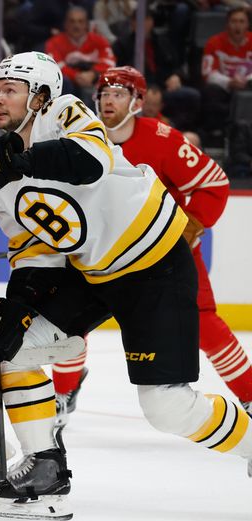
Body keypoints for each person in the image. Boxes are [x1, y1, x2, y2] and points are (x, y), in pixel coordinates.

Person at [0, 51, 252, 521]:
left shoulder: (64, 111)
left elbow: (89, 161)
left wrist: (18, 160)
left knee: (166, 406)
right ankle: (45, 469)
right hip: (93, 274)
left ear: (39, 95)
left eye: (9, 89)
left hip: (155, 263)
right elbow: (36, 254)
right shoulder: (0, 171)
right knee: (12, 352)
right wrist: (15, 313)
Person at [51, 65, 252, 427]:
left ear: (138, 101)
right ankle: (64, 391)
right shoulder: (81, 139)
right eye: (104, 93)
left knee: (204, 323)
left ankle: (251, 396)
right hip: (103, 254)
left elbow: (215, 183)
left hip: (163, 255)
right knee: (69, 323)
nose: (107, 99)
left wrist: (189, 228)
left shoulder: (162, 138)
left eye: (118, 93)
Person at [201, 7, 252, 146]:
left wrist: (247, 80)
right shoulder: (214, 42)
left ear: (247, 24)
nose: (238, 26)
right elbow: (207, 73)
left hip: (248, 89)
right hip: (224, 90)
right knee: (210, 91)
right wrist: (229, 82)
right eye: (234, 21)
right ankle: (216, 135)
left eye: (242, 21)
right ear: (227, 24)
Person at [45, 5, 116, 106]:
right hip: (68, 88)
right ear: (65, 24)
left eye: (80, 21)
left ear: (87, 24)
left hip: (94, 83)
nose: (76, 25)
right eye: (72, 21)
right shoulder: (53, 43)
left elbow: (110, 63)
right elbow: (55, 66)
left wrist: (93, 74)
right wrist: (76, 76)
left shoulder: (99, 41)